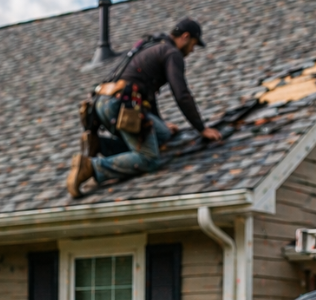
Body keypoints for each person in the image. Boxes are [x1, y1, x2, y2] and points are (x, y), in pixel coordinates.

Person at [68, 18, 223, 197]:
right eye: (194, 44)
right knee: (149, 159)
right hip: (124, 106)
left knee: (163, 135)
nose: (192, 50)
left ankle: (101, 145)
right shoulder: (172, 53)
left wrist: (161, 123)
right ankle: (91, 167)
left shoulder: (151, 45)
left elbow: (148, 94)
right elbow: (181, 94)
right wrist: (201, 128)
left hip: (101, 103)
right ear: (186, 37)